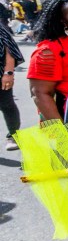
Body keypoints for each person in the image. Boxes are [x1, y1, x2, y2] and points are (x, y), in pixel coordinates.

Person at [0, 23, 24, 151]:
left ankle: (13, 135)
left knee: (6, 104)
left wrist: (8, 72)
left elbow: (8, 47)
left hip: (1, 73)